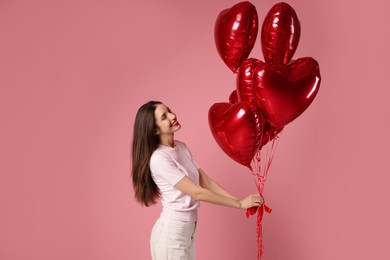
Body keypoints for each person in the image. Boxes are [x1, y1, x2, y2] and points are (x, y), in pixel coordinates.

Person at [131, 101, 264, 260]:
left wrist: (240, 202)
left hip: (188, 230)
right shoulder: (159, 158)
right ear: (154, 130)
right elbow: (197, 192)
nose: (173, 116)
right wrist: (240, 204)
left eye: (170, 110)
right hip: (171, 235)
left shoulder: (181, 147)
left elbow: (205, 181)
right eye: (164, 117)